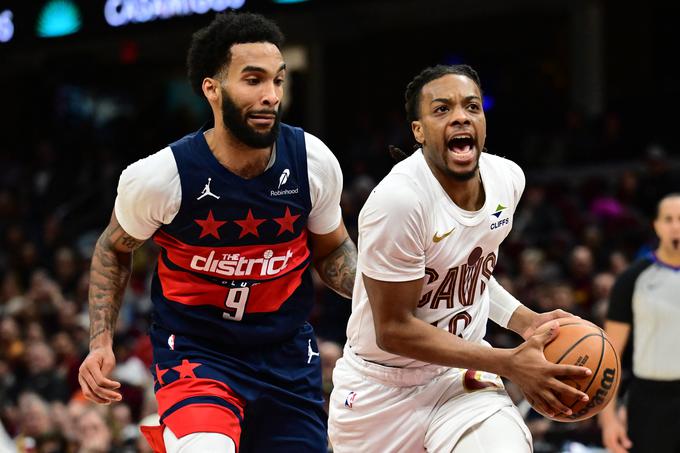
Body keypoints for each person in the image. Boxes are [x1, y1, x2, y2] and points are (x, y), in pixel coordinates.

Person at [78, 12, 357, 453]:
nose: (270, 96)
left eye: (278, 81)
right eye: (253, 80)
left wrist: (377, 293)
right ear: (212, 88)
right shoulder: (160, 177)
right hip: (198, 352)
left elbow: (333, 248)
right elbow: (113, 249)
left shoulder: (313, 161)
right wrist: (100, 343)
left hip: (286, 353)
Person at [327, 64, 592, 452]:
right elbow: (395, 329)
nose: (460, 116)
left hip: (459, 380)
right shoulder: (399, 201)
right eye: (441, 109)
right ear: (418, 131)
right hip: (379, 390)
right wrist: (508, 362)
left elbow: (470, 270)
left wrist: (526, 321)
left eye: (471, 106)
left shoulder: (508, 179)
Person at [599, 193, 680, 453]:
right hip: (649, 400)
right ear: (656, 225)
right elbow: (610, 356)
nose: (676, 226)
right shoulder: (633, 279)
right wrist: (609, 421)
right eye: (668, 219)